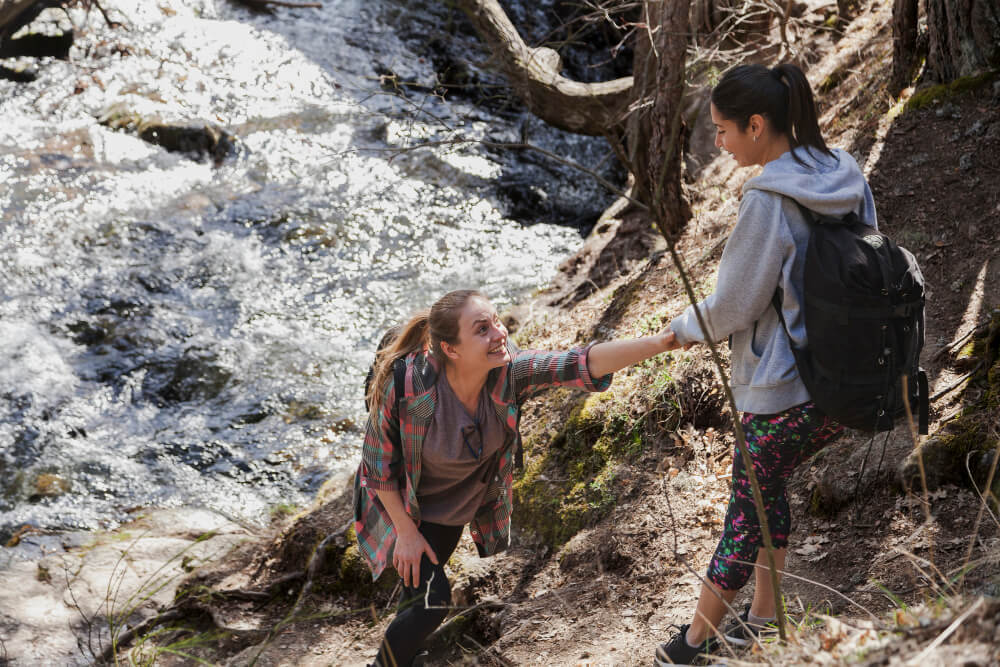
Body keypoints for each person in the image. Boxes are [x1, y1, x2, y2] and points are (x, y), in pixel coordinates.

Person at [652, 62, 876, 666]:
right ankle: (762, 620)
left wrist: (677, 331)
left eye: (724, 130)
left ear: (757, 126)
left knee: (744, 514)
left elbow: (733, 306)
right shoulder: (843, 172)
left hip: (784, 386)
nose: (719, 143)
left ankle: (691, 645)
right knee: (767, 489)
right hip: (847, 379)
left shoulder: (769, 200)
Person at [354, 288, 678, 667]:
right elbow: (377, 465)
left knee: (416, 601)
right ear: (452, 349)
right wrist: (406, 534)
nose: (499, 333)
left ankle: (409, 656)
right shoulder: (410, 383)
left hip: (450, 512)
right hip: (397, 507)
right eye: (482, 329)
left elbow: (579, 363)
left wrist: (663, 341)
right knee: (432, 600)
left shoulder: (509, 374)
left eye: (496, 321)